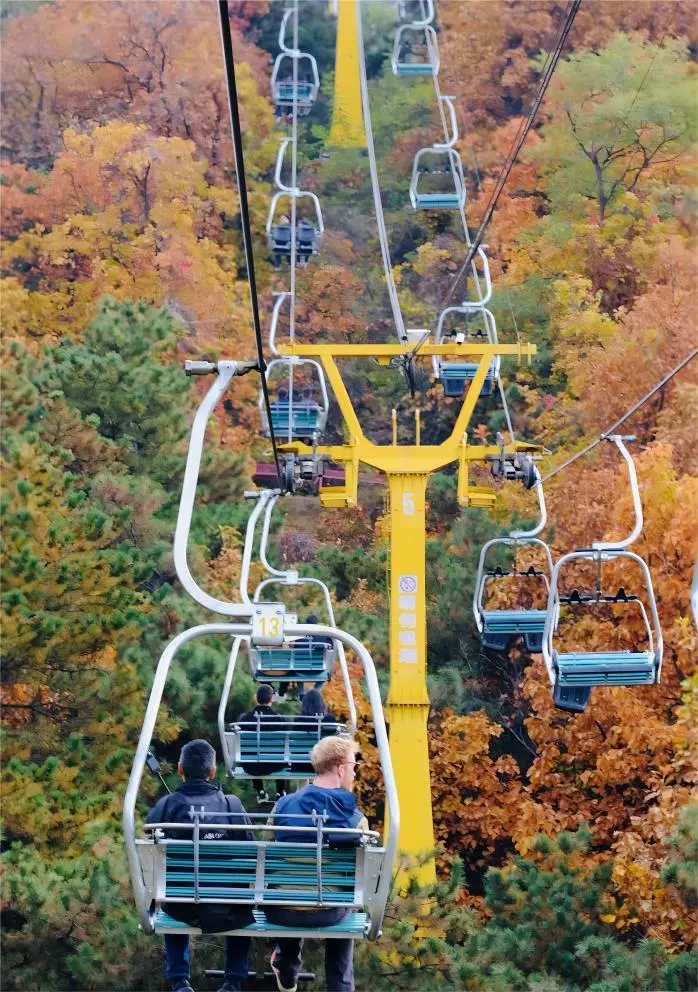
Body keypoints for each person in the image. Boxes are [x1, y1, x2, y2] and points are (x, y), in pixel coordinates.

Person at [146, 739, 253, 992]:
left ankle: (180, 979)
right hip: (229, 908)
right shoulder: (232, 805)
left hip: (181, 906)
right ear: (212, 771)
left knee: (170, 891)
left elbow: (149, 851)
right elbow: (250, 853)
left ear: (181, 769)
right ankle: (233, 980)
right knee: (241, 898)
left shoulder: (166, 806)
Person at [266, 736, 366, 992]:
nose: (355, 773)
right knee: (347, 899)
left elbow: (266, 850)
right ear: (341, 768)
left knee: (293, 886)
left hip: (281, 911)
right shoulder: (355, 818)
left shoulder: (282, 806)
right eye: (354, 766)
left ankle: (287, 965)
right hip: (329, 912)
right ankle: (340, 986)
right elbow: (363, 872)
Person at [237, 683, 288, 801]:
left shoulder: (244, 719)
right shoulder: (279, 719)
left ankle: (260, 790)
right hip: (275, 765)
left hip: (250, 766)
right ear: (271, 699)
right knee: (277, 753)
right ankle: (281, 791)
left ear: (256, 698)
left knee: (253, 753)